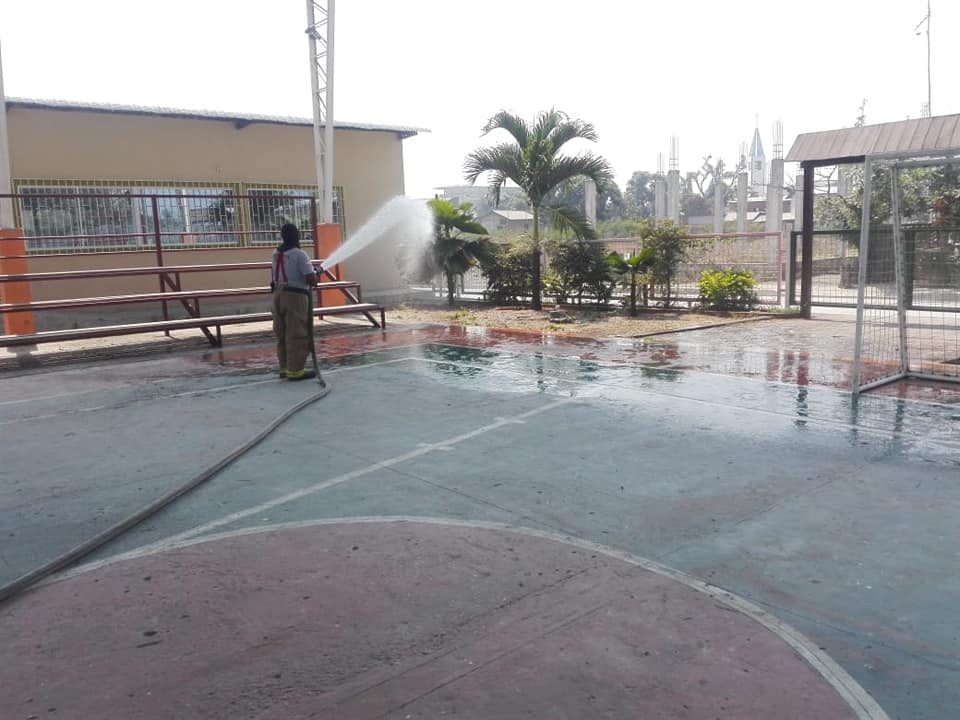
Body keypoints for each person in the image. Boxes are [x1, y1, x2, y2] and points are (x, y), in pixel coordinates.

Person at [271, 223, 318, 380]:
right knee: (297, 333)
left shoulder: (276, 253)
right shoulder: (299, 254)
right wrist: (316, 274)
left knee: (282, 333)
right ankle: (296, 371)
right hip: (295, 297)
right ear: (296, 236)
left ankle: (284, 368)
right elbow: (311, 279)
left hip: (278, 295)